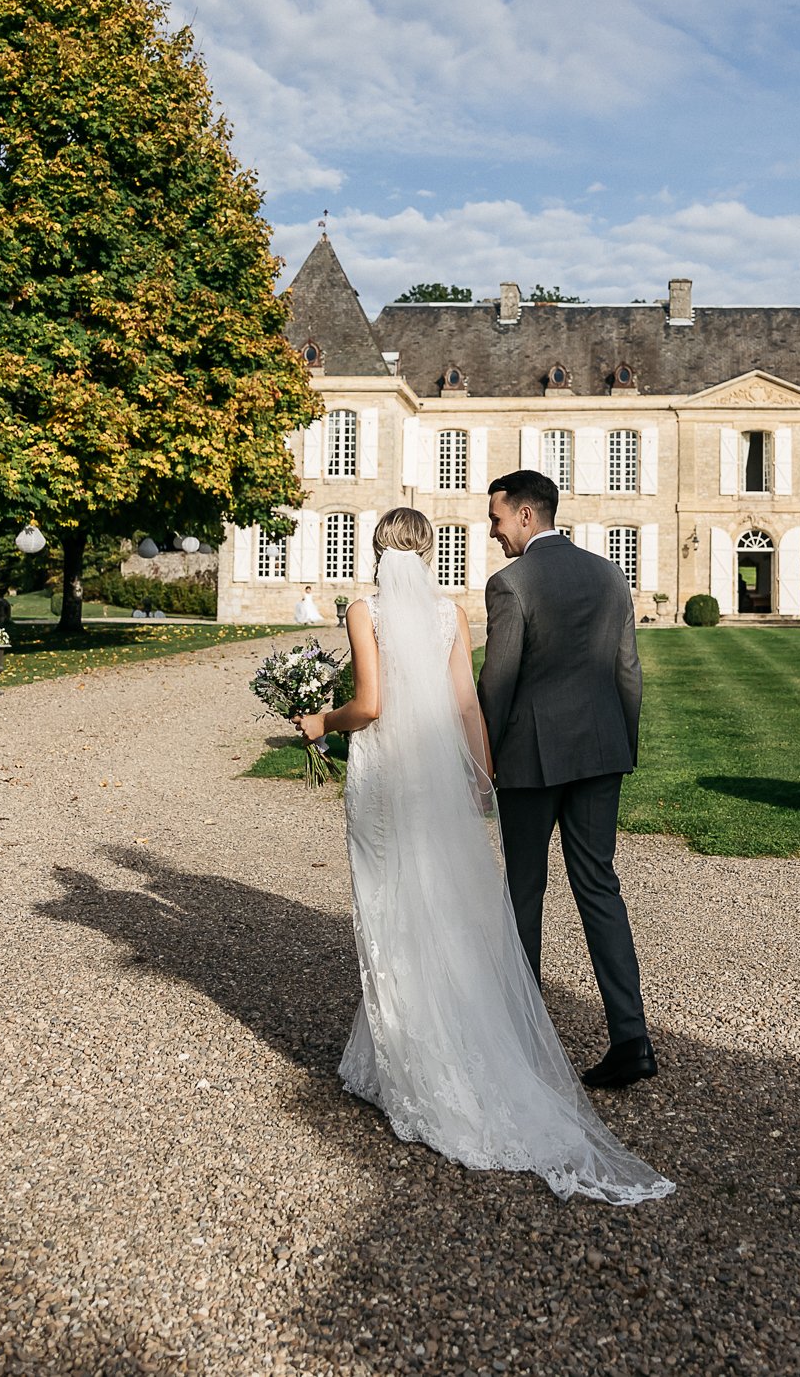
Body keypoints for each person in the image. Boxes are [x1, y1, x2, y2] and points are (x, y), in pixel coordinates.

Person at [296, 508, 670, 1204]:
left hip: (389, 774)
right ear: (430, 550)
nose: (496, 528)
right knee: (459, 897)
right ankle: (500, 1042)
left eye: (500, 517)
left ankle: (415, 1057)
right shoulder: (453, 612)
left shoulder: (366, 608)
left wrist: (320, 719)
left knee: (401, 905)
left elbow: (373, 704)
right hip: (502, 767)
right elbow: (471, 701)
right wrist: (479, 770)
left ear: (378, 548)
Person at [478, 468, 655, 1090]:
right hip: (602, 753)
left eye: (497, 518)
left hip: (530, 758)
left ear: (527, 515)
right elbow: (627, 669)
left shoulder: (511, 583)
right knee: (599, 887)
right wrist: (621, 746)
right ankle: (631, 1038)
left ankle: (522, 1039)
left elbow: (497, 685)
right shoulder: (610, 575)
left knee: (524, 890)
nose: (493, 531)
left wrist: (485, 756)